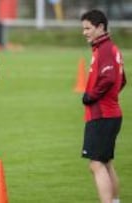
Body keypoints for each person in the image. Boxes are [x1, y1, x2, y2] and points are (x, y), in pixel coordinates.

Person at [80, 9, 126, 203]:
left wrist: (91, 96)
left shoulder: (105, 49)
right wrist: (111, 97)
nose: (84, 32)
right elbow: (122, 80)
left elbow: (108, 78)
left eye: (88, 28)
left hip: (102, 115)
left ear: (100, 27)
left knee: (96, 164)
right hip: (111, 113)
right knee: (106, 163)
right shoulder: (108, 48)